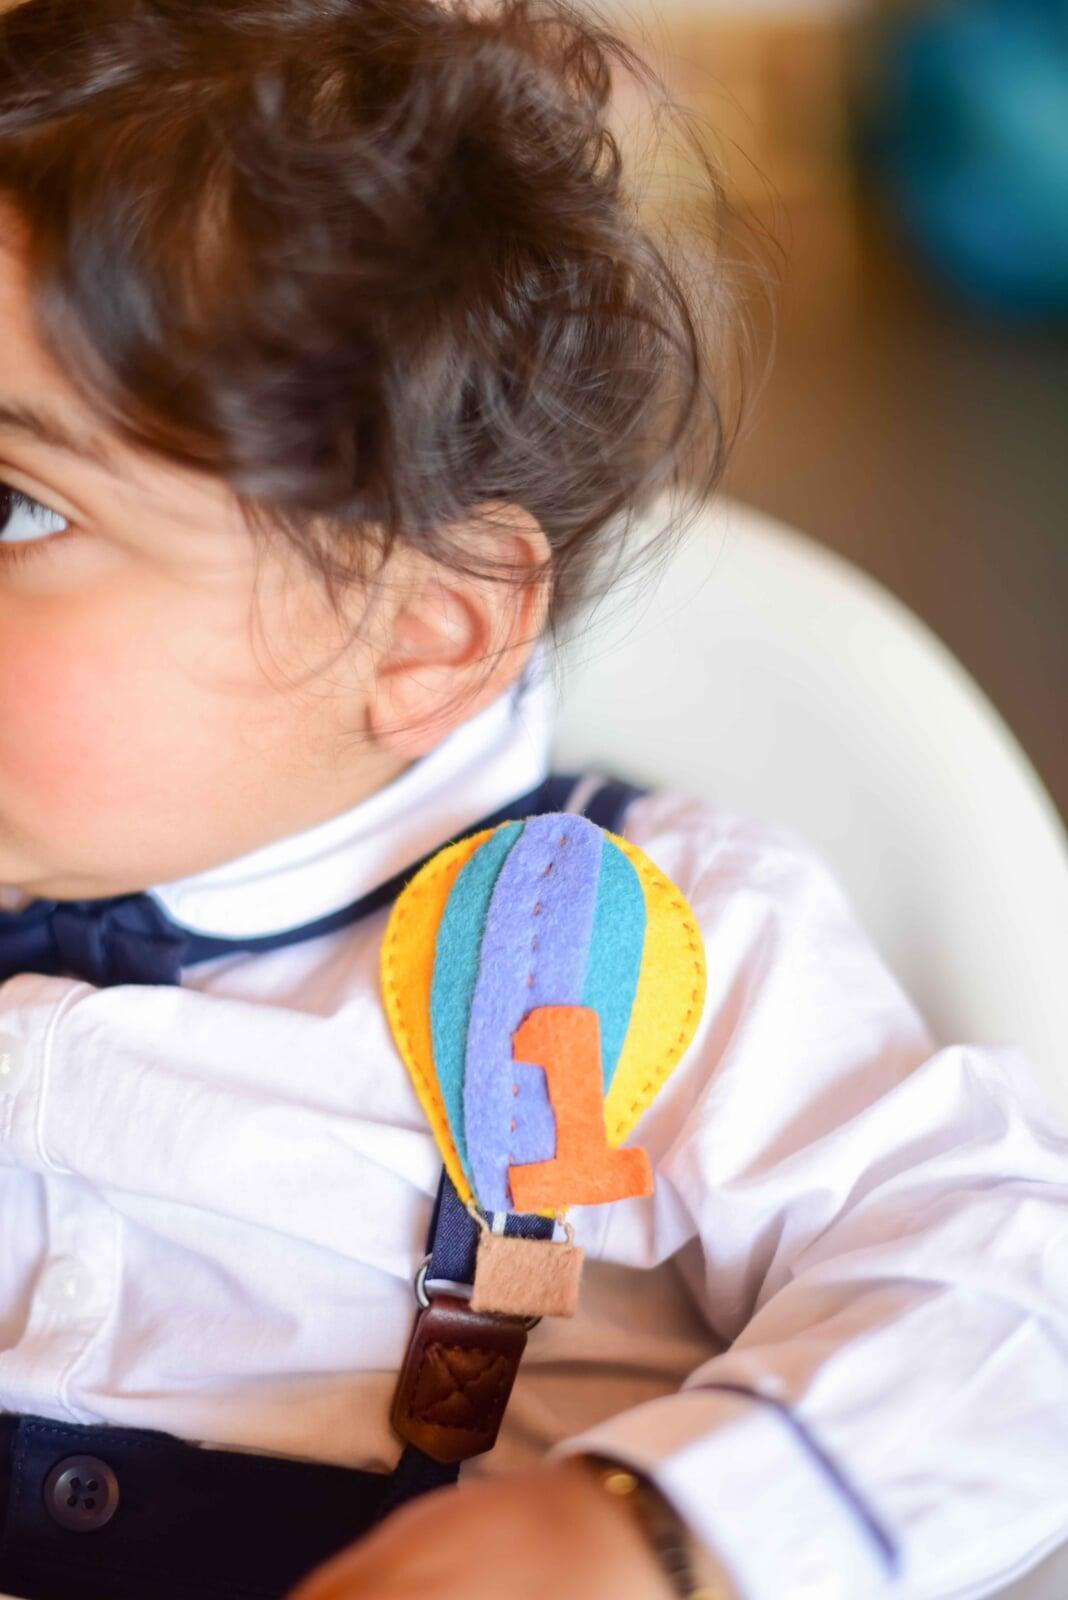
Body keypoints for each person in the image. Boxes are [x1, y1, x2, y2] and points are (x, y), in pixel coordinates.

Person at [0, 2, 1064, 1598]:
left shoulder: (628, 952)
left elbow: (1014, 1298)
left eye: (13, 502)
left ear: (423, 636)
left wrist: (648, 1525)